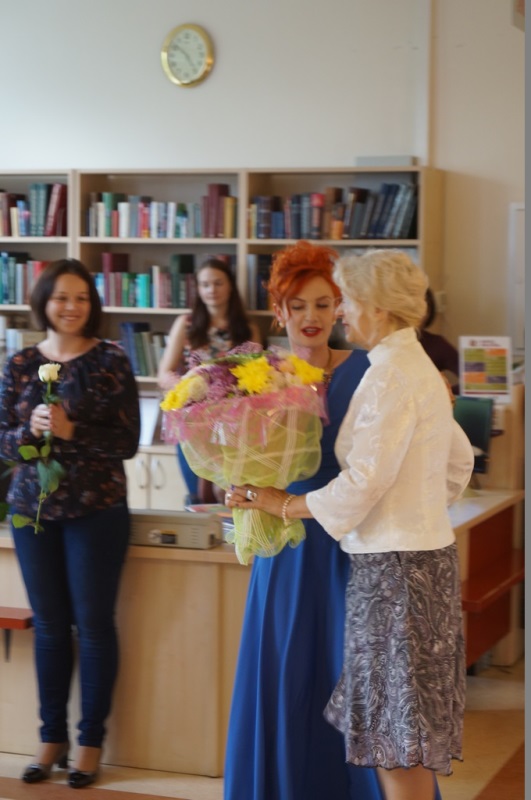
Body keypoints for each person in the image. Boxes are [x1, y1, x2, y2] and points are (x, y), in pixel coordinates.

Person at [225, 249, 474, 800]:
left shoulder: (382, 374)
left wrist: (290, 506)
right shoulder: (407, 365)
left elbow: (364, 482)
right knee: (389, 725)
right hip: (352, 549)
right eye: (300, 305)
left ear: (375, 308)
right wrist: (414, 511)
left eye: (340, 302)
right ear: (279, 311)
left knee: (390, 733)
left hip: (368, 556)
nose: (335, 314)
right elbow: (455, 463)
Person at [223, 240, 385, 800]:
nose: (311, 317)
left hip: (351, 542)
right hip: (285, 543)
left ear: (340, 307)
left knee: (350, 674)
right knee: (288, 672)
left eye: (323, 303)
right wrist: (238, 482)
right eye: (298, 306)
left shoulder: (367, 370)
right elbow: (234, 453)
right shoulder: (258, 376)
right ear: (279, 311)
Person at [0, 258, 140, 789]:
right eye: (61, 297)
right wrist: (30, 431)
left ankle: (89, 742)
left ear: (92, 304)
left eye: (81, 297)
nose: (71, 306)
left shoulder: (111, 359)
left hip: (96, 510)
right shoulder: (20, 363)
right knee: (50, 627)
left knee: (95, 626)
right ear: (44, 301)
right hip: (32, 512)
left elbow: (127, 442)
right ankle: (50, 738)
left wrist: (72, 430)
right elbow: (2, 440)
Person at [157, 257, 261, 504]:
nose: (211, 290)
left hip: (235, 425)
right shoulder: (186, 324)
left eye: (218, 283)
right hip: (192, 421)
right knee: (197, 496)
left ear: (230, 286)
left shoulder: (248, 329)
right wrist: (187, 387)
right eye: (205, 284)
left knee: (233, 495)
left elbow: (258, 378)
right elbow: (164, 374)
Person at [419, 287, 460, 393]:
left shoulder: (437, 345)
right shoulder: (386, 344)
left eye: (424, 308)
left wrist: (444, 393)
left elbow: (471, 382)